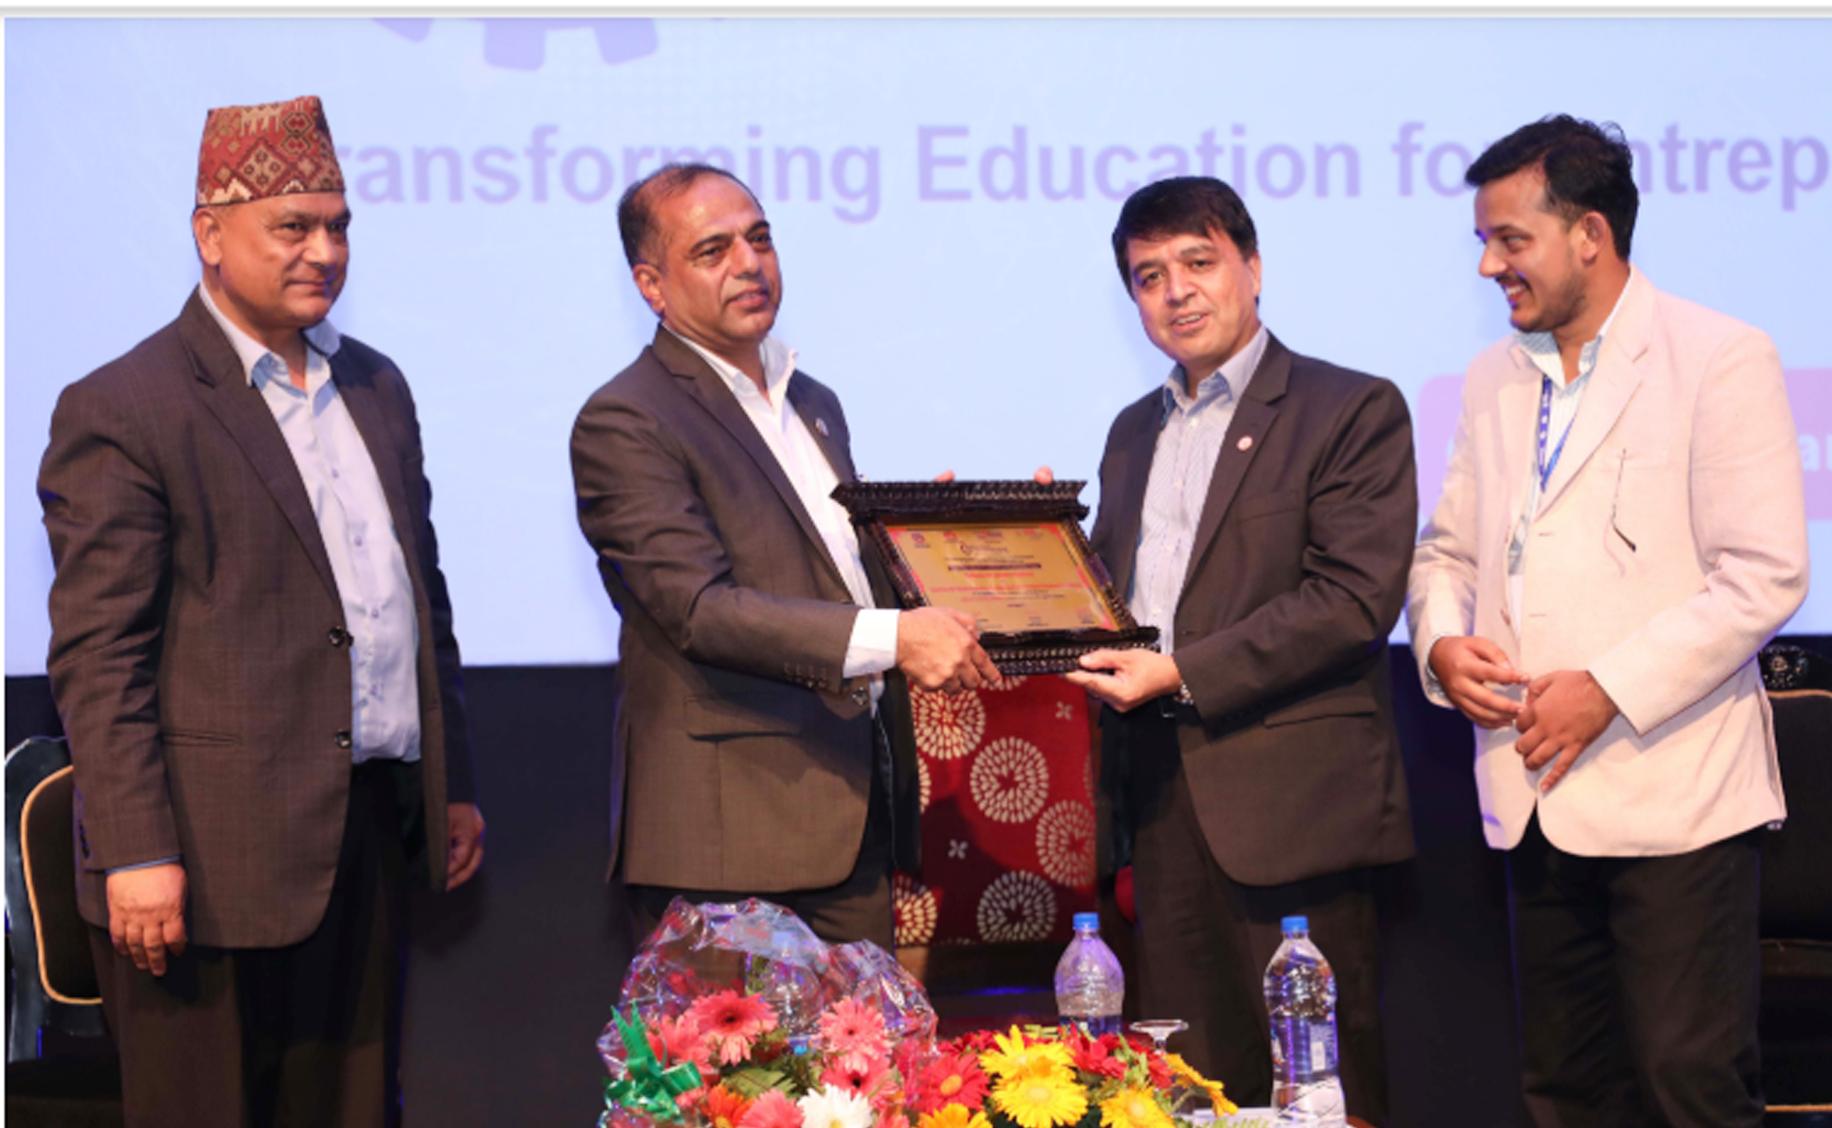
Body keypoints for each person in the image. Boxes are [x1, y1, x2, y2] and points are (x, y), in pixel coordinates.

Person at [38, 95, 484, 1128]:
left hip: (364, 832)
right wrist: (138, 852)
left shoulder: (375, 386)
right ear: (210, 234)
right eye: (293, 226)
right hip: (202, 860)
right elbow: (100, 656)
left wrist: (449, 783)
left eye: (338, 226)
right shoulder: (126, 405)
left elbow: (420, 597)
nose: (324, 252)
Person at [1408, 114, 1808, 1127]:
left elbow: (1764, 574)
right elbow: (1444, 552)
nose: (1489, 266)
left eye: (1510, 239)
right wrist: (1441, 644)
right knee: (1565, 1095)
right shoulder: (1493, 378)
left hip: (1674, 796)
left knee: (1689, 1092)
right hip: (1532, 796)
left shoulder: (1718, 355)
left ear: (1589, 233)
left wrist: (1607, 690)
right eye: (1483, 242)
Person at [570, 163, 998, 949]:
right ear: (651, 286)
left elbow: (831, 576)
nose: (749, 263)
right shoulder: (626, 419)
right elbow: (699, 610)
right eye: (713, 250)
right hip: (727, 840)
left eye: (759, 238)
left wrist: (949, 546)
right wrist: (898, 638)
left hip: (847, 813)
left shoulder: (814, 402)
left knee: (864, 1037)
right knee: (726, 1042)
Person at [1063, 176, 1417, 1121]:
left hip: (1295, 805)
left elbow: (1351, 600)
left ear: (1253, 268)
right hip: (1163, 802)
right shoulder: (1132, 432)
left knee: (1321, 1092)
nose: (1175, 291)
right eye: (1148, 276)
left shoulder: (1348, 408)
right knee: (1193, 1088)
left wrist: (1184, 670)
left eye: (1198, 262)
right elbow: (1117, 603)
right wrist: (1014, 550)